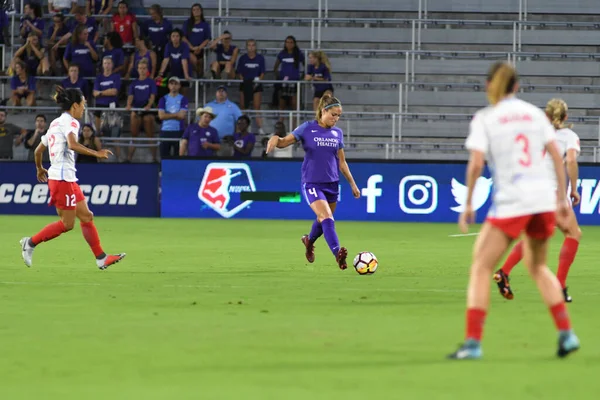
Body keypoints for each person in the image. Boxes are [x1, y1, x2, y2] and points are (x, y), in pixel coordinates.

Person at [447, 62, 580, 360]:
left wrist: (468, 202)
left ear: (488, 86)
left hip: (513, 200)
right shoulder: (534, 114)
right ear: (517, 87)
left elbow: (477, 164)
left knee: (481, 267)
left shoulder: (486, 118)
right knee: (538, 267)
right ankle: (566, 333)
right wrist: (561, 198)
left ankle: (472, 343)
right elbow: (558, 158)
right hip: (544, 199)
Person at [20, 87, 125, 270]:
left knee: (86, 216)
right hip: (62, 179)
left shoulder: (55, 123)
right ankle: (30, 243)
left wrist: (39, 169)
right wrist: (97, 153)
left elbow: (38, 150)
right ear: (75, 105)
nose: (84, 108)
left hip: (65, 177)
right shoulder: (71, 122)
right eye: (83, 105)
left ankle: (101, 257)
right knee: (67, 224)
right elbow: (72, 144)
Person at [494, 98, 582, 303]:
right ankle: (559, 286)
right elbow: (570, 160)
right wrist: (574, 189)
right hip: (551, 192)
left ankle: (504, 272)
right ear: (566, 117)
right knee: (573, 233)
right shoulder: (569, 136)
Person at [265, 94, 360, 270]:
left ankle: (309, 242)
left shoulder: (337, 133)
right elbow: (284, 142)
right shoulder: (307, 128)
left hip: (332, 184)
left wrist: (353, 184)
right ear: (323, 111)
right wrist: (274, 138)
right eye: (333, 114)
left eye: (339, 116)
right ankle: (338, 253)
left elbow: (341, 161)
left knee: (322, 219)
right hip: (312, 183)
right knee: (327, 217)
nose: (336, 119)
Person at [126, 59, 157, 162]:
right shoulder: (134, 83)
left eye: (144, 68)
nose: (142, 70)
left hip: (147, 110)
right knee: (133, 134)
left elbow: (152, 96)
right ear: (137, 69)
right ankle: (129, 158)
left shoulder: (151, 82)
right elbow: (130, 96)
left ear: (147, 69)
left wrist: (148, 105)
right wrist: (128, 105)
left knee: (150, 134)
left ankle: (154, 158)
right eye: (140, 68)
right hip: (136, 109)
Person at [236, 39, 265, 134]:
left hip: (256, 84)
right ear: (246, 47)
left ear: (255, 47)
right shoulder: (243, 58)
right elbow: (239, 73)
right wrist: (244, 82)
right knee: (243, 107)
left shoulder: (260, 58)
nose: (251, 47)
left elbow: (262, 73)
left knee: (257, 107)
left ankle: (260, 129)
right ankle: (242, 129)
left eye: (253, 45)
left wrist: (258, 82)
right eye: (249, 45)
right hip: (245, 83)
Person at [273, 36, 304, 121]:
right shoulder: (282, 54)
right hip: (284, 82)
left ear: (294, 44)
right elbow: (275, 67)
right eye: (287, 42)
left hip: (294, 82)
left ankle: (294, 128)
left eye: (291, 42)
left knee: (294, 104)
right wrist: (279, 77)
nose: (289, 44)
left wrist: (301, 78)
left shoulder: (298, 54)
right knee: (282, 104)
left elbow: (305, 66)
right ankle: (280, 124)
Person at [158, 76, 188, 158]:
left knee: (178, 157)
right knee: (164, 157)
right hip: (165, 131)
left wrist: (167, 115)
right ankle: (162, 171)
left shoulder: (183, 99)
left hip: (179, 131)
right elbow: (161, 116)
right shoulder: (163, 99)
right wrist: (176, 114)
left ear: (179, 86)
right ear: (168, 86)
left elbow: (182, 116)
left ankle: (178, 171)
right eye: (171, 83)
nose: (173, 86)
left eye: (176, 84)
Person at [93, 57, 121, 134]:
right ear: (102, 65)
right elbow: (95, 93)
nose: (107, 65)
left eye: (109, 63)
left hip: (112, 104)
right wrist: (108, 91)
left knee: (113, 131)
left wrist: (101, 93)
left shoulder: (116, 77)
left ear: (112, 65)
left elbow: (114, 92)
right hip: (100, 105)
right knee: (97, 113)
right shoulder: (99, 78)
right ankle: (98, 134)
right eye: (105, 63)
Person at [182, 3, 211, 77]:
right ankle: (196, 77)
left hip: (201, 49)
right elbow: (183, 37)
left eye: (198, 9)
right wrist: (192, 47)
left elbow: (207, 38)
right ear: (192, 12)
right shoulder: (187, 23)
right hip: (189, 49)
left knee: (200, 63)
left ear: (201, 11)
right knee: (194, 60)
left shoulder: (205, 24)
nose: (196, 11)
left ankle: (199, 80)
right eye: (194, 10)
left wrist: (199, 47)